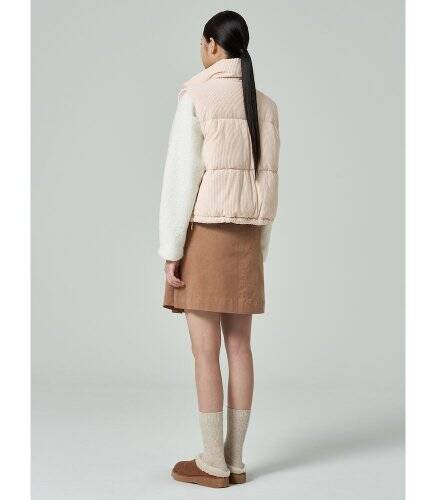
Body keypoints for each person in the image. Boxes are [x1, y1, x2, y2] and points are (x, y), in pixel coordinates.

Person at [158, 10, 280, 488]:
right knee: (241, 348)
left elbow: (180, 178)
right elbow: (268, 185)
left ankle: (212, 462)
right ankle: (236, 461)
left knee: (205, 353)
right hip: (247, 238)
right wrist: (258, 247)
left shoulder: (197, 94)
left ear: (212, 44)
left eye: (201, 43)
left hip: (206, 236)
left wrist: (172, 248)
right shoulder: (265, 105)